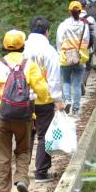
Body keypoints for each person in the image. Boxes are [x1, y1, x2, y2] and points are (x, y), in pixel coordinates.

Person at [0, 30, 51, 192]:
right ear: (23, 45)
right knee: (22, 150)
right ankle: (21, 180)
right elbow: (42, 89)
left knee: (3, 154)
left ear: (4, 45)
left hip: (2, 115)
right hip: (24, 115)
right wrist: (44, 99)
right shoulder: (30, 65)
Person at [24, 16, 65, 183]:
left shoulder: (22, 48)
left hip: (23, 98)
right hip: (43, 99)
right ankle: (41, 172)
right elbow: (54, 78)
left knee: (26, 134)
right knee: (44, 136)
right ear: (47, 32)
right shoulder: (50, 51)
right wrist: (58, 99)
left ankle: (21, 171)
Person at [56, 1, 90, 117]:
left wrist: (60, 52)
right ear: (80, 11)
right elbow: (86, 41)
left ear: (69, 11)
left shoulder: (63, 25)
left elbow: (59, 41)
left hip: (66, 55)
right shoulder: (84, 25)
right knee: (76, 84)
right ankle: (76, 109)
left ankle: (67, 100)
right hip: (79, 57)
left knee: (66, 80)